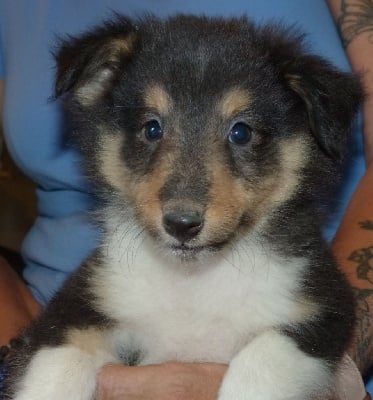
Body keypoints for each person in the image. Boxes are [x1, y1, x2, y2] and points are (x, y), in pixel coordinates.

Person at [0, 0, 371, 398]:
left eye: (240, 134)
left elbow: (326, 321)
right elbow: (67, 339)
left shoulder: (303, 288)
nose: (183, 201)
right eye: (152, 129)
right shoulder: (113, 279)